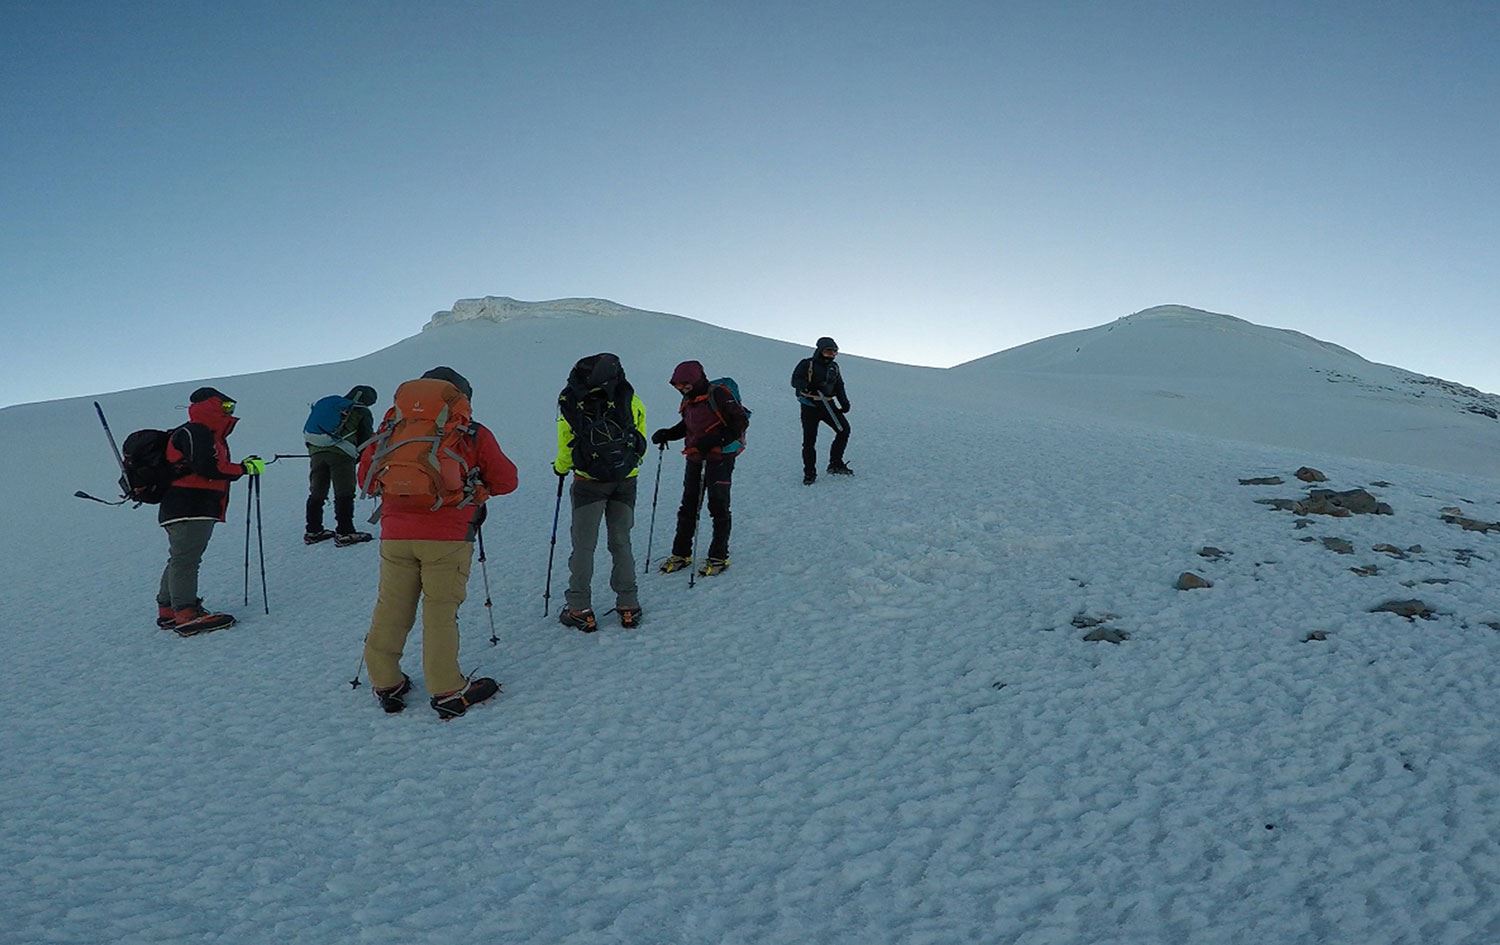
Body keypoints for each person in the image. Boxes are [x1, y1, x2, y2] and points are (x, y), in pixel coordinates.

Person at [357, 367, 519, 718]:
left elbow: (365, 478)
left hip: (396, 535)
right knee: (440, 612)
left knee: (391, 608)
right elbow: (507, 480)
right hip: (448, 536)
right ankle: (447, 689)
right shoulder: (470, 432)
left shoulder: (391, 429)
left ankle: (386, 682)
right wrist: (478, 490)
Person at [154, 387, 263, 636]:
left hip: (184, 506)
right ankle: (185, 613)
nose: (229, 412)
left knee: (180, 557)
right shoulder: (197, 431)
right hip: (191, 505)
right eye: (225, 407)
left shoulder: (199, 432)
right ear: (209, 405)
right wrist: (244, 469)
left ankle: (169, 610)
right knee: (186, 559)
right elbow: (208, 468)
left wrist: (239, 468)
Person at [553, 353, 648, 631]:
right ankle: (628, 605)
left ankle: (579, 608)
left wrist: (560, 468)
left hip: (588, 482)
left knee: (584, 546)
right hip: (626, 479)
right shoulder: (629, 397)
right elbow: (640, 437)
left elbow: (566, 443)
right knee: (621, 541)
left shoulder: (573, 400)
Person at [651, 360, 749, 577]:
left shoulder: (719, 395)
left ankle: (719, 556)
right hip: (695, 457)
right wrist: (668, 433)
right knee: (688, 505)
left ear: (696, 380)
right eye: (678, 387)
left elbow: (740, 421)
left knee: (718, 506)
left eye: (685, 385)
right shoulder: (689, 400)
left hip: (720, 457)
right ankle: (681, 553)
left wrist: (716, 440)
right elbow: (687, 426)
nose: (682, 390)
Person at [303, 384, 378, 545]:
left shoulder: (334, 405)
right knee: (344, 492)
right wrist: (357, 458)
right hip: (342, 454)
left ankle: (313, 531)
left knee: (317, 492)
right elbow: (365, 439)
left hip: (316, 451)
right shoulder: (361, 411)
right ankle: (345, 532)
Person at [791, 336, 852, 485]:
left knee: (844, 430)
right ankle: (809, 473)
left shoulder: (834, 367)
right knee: (809, 441)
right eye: (828, 351)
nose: (831, 354)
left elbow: (839, 386)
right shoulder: (807, 364)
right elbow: (795, 380)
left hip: (828, 405)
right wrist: (806, 386)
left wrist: (844, 402)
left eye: (834, 352)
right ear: (820, 351)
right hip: (810, 406)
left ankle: (835, 464)